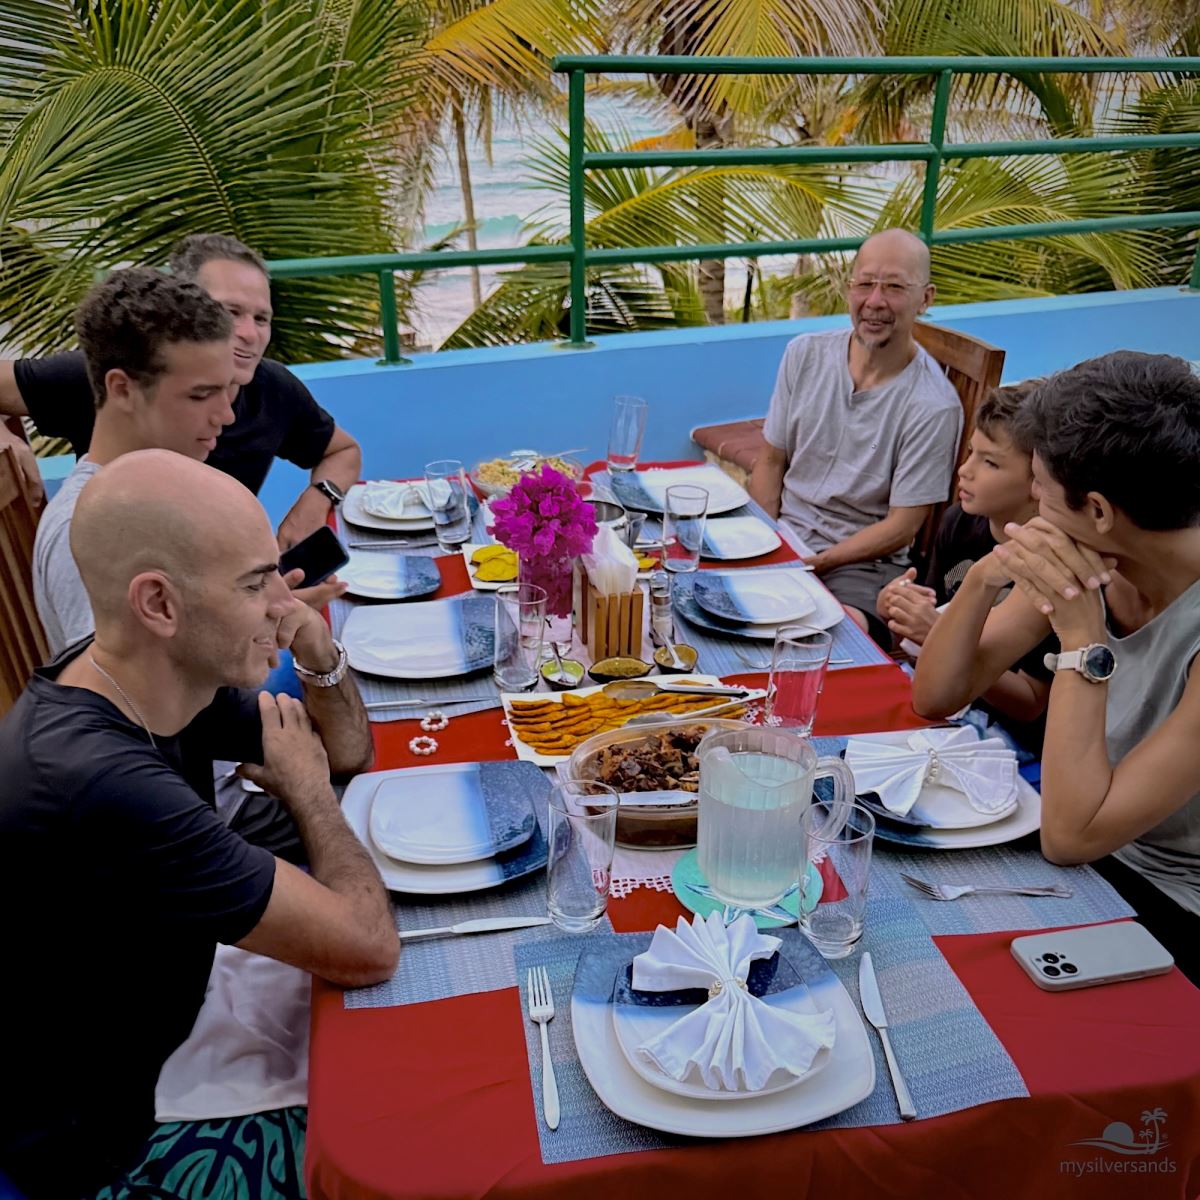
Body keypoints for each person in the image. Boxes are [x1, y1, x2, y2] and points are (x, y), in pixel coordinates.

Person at [0, 449, 397, 1198]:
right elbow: (366, 947)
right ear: (158, 604)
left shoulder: (150, 674)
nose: (283, 602)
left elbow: (345, 752)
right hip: (116, 1142)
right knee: (411, 1140)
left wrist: (315, 649)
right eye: (255, 583)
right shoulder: (98, 781)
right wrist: (307, 793)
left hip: (177, 1030)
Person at [911, 351, 1200, 982]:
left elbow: (1071, 836)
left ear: (1097, 510)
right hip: (1083, 856)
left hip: (1173, 904)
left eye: (1039, 482)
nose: (1031, 494)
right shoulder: (1090, 552)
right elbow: (934, 695)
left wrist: (1080, 641)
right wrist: (990, 574)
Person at [0, 233, 359, 549]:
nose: (249, 334)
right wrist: (5, 438)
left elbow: (342, 450)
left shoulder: (272, 388)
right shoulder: (123, 375)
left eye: (261, 318)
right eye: (229, 312)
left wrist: (317, 500)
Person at [748, 228, 963, 644]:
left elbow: (902, 527)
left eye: (895, 287)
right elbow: (772, 461)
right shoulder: (805, 354)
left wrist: (815, 562)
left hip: (863, 563)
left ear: (926, 298)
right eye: (865, 283)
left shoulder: (933, 405)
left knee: (829, 640)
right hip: (786, 535)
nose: (875, 301)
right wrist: (763, 541)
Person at [33, 267, 239, 657]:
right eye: (200, 396)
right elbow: (111, 704)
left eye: (229, 390)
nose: (225, 415)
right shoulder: (84, 533)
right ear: (122, 389)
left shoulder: (166, 487)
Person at [882, 381, 1055, 748]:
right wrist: (900, 612)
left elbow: (1031, 704)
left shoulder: (1050, 562)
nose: (965, 470)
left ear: (1039, 480)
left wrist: (938, 636)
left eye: (990, 462)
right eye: (972, 452)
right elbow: (915, 646)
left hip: (1010, 740)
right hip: (939, 705)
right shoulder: (959, 522)